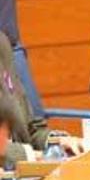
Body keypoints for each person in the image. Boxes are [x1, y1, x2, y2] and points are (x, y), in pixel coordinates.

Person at [0, 32, 83, 164]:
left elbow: (30, 129)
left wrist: (57, 142)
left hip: (26, 172)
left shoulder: (2, 44)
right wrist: (31, 156)